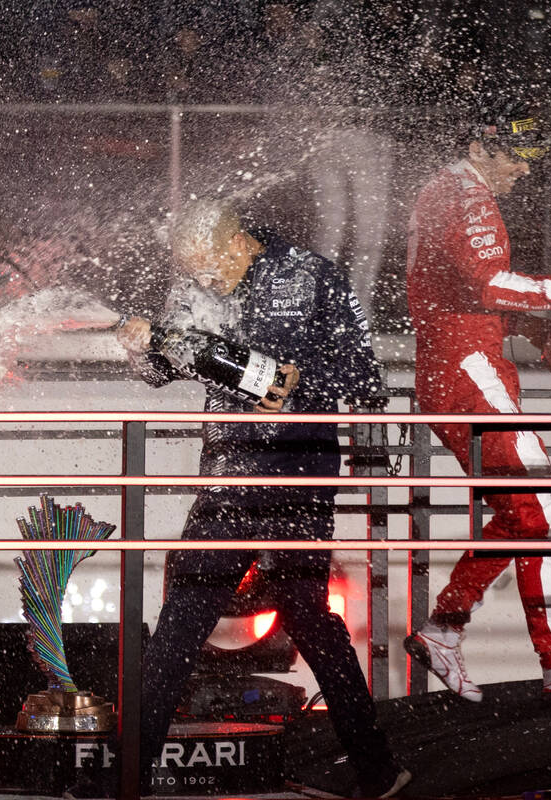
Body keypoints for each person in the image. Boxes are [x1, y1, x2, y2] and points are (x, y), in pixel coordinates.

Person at [116, 200, 411, 798]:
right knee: (183, 619)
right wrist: (140, 346)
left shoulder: (313, 274)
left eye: (208, 268)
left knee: (304, 616)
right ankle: (131, 776)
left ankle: (377, 770)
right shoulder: (195, 285)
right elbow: (161, 368)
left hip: (299, 472)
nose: (201, 281)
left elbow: (364, 378)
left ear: (239, 244)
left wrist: (302, 380)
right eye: (192, 272)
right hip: (228, 474)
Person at [403, 100, 551, 707]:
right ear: (479, 147)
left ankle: (444, 629)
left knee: (525, 515)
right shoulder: (467, 196)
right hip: (469, 372)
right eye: (517, 156)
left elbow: (463, 294)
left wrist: (534, 325)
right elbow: (488, 283)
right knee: (546, 516)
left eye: (532, 158)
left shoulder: (446, 190)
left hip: (456, 367)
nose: (525, 170)